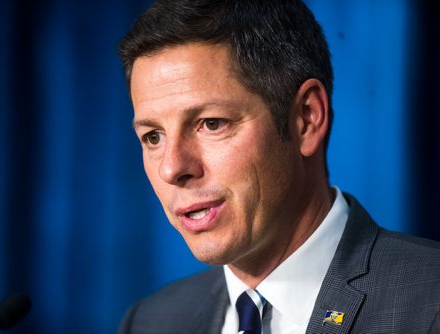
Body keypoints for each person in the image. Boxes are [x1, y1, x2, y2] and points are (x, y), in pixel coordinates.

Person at [117, 0, 440, 333]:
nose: (172, 168)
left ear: (306, 119)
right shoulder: (148, 322)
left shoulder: (431, 302)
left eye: (211, 123)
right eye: (153, 136)